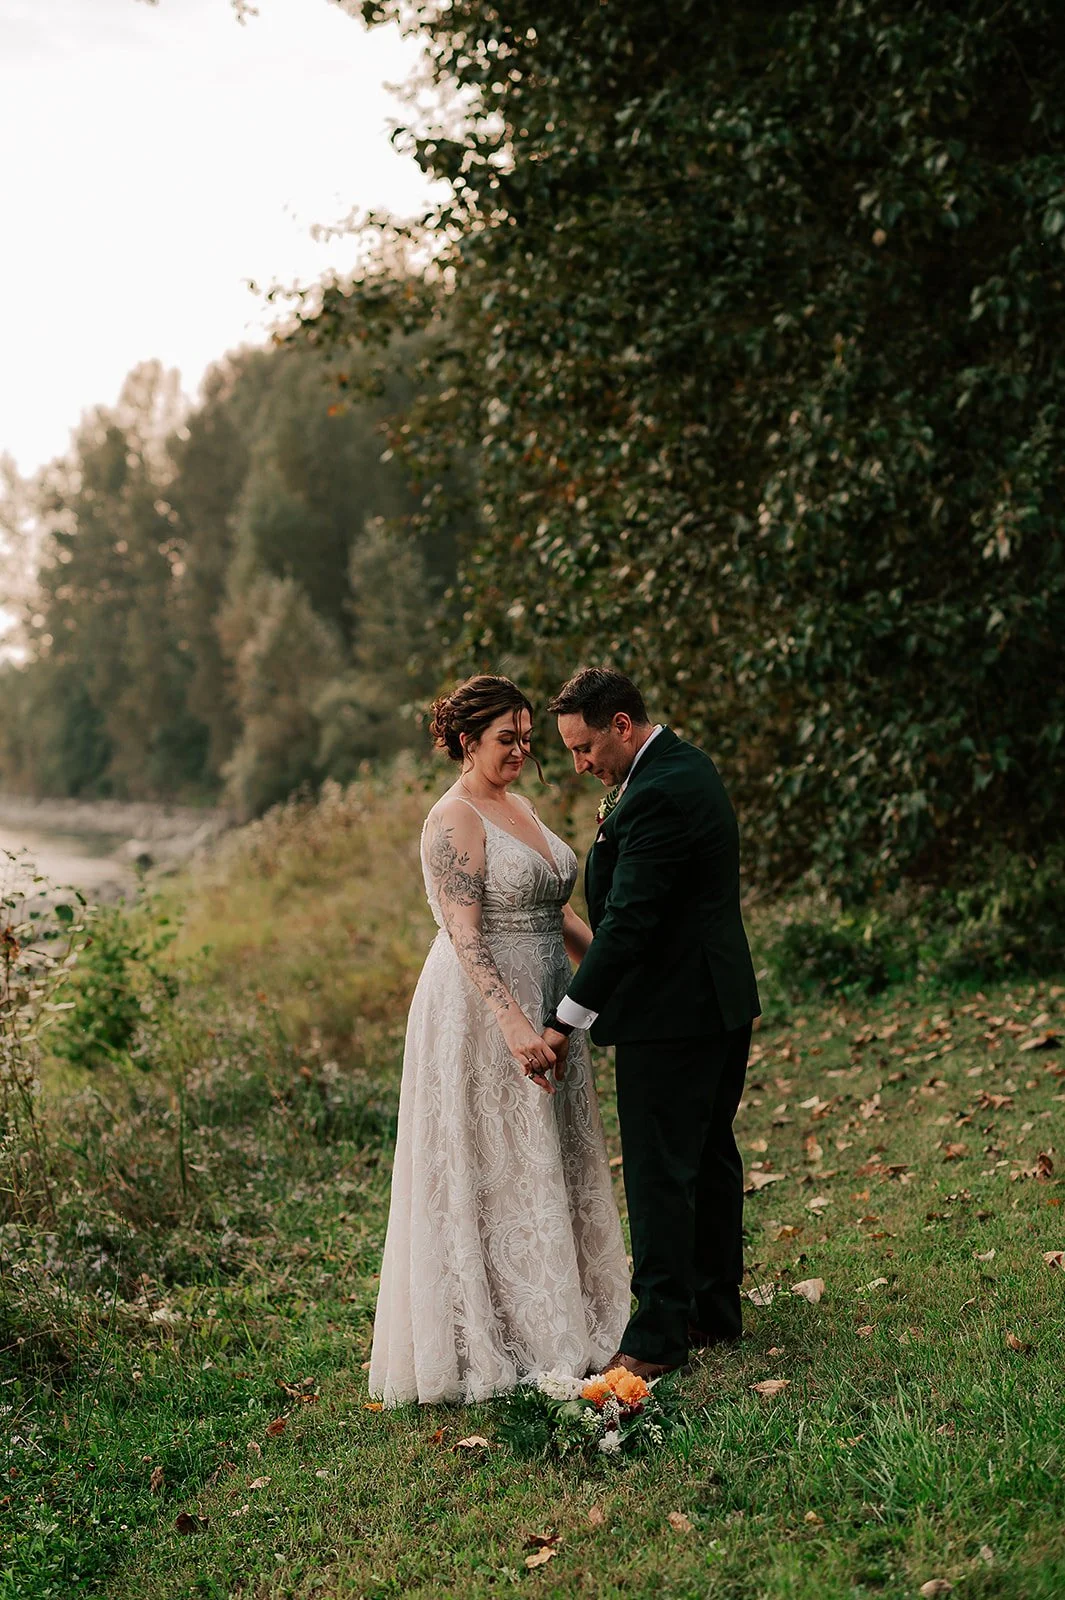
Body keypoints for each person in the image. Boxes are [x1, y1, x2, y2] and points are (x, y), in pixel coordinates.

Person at [368, 675, 630, 1405]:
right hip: (482, 1010)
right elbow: (463, 933)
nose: (520, 752)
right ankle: (503, 1336)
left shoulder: (518, 804)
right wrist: (512, 1020)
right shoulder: (451, 820)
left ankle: (568, 1315)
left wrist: (603, 975)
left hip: (551, 995)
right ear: (464, 742)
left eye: (524, 738)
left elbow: (558, 910)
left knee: (551, 1150)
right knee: (497, 1160)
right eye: (504, 740)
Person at [540, 667, 761, 1380]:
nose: (579, 764)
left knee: (662, 1172)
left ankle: (658, 1336)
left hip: (673, 1014)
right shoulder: (674, 769)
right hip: (710, 1003)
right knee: (705, 1157)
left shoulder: (661, 791)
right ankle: (711, 1310)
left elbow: (630, 922)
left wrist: (563, 1020)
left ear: (621, 725)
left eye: (581, 747)